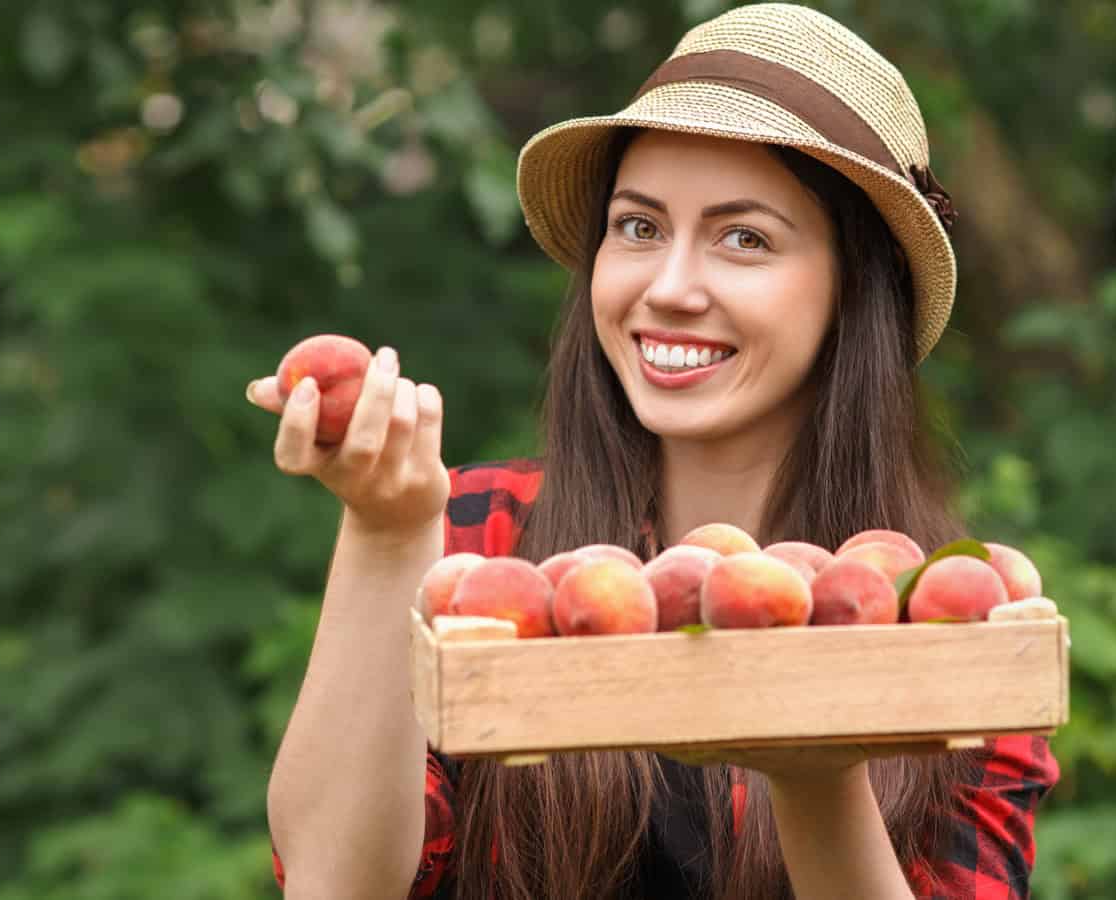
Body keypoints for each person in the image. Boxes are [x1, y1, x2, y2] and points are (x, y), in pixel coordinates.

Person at [251, 4, 1059, 898]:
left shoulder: (941, 612)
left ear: (854, 290)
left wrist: (818, 760)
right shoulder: (482, 549)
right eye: (638, 227)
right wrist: (387, 530)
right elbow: (331, 884)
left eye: (743, 238)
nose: (669, 288)